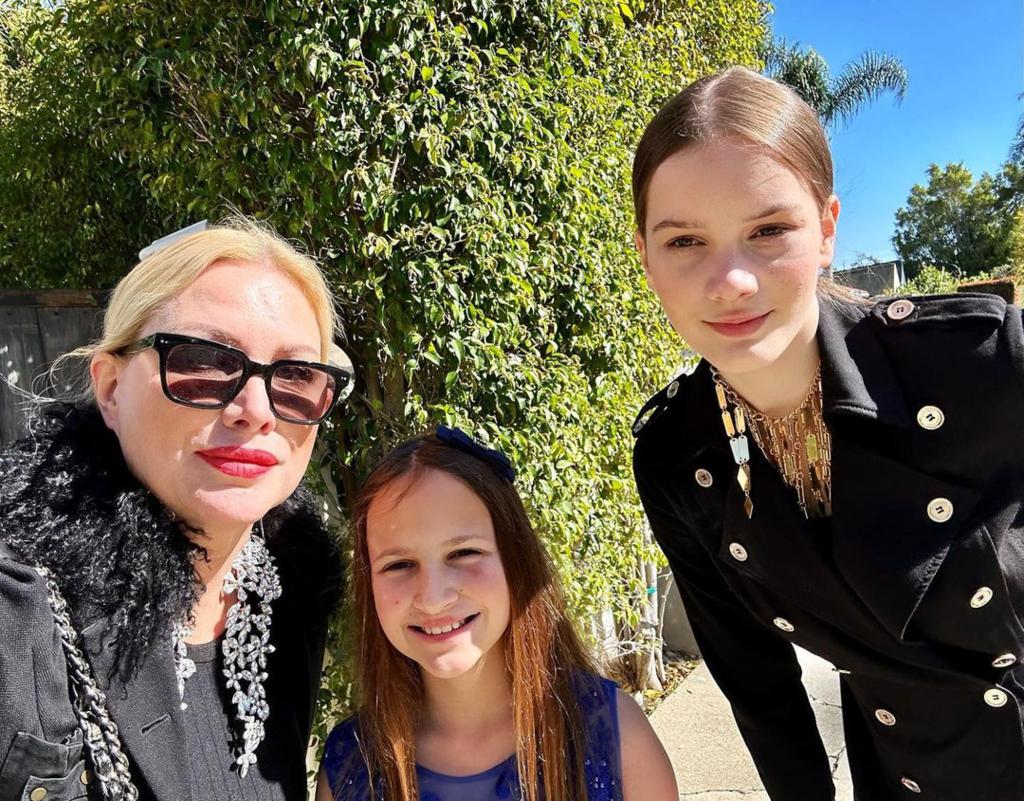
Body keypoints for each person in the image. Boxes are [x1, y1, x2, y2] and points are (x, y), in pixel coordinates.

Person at [630, 65, 1024, 801]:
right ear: (647, 258)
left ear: (828, 230)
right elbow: (760, 688)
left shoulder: (977, 362)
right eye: (685, 240)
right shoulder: (676, 457)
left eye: (768, 229)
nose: (731, 279)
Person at [0, 218, 353, 801]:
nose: (256, 410)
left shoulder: (293, 595)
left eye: (295, 376)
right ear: (111, 390)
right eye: (203, 361)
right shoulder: (18, 601)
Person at [316, 427, 677, 801]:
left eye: (463, 553)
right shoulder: (348, 765)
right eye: (400, 564)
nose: (433, 598)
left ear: (516, 561)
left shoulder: (616, 737)